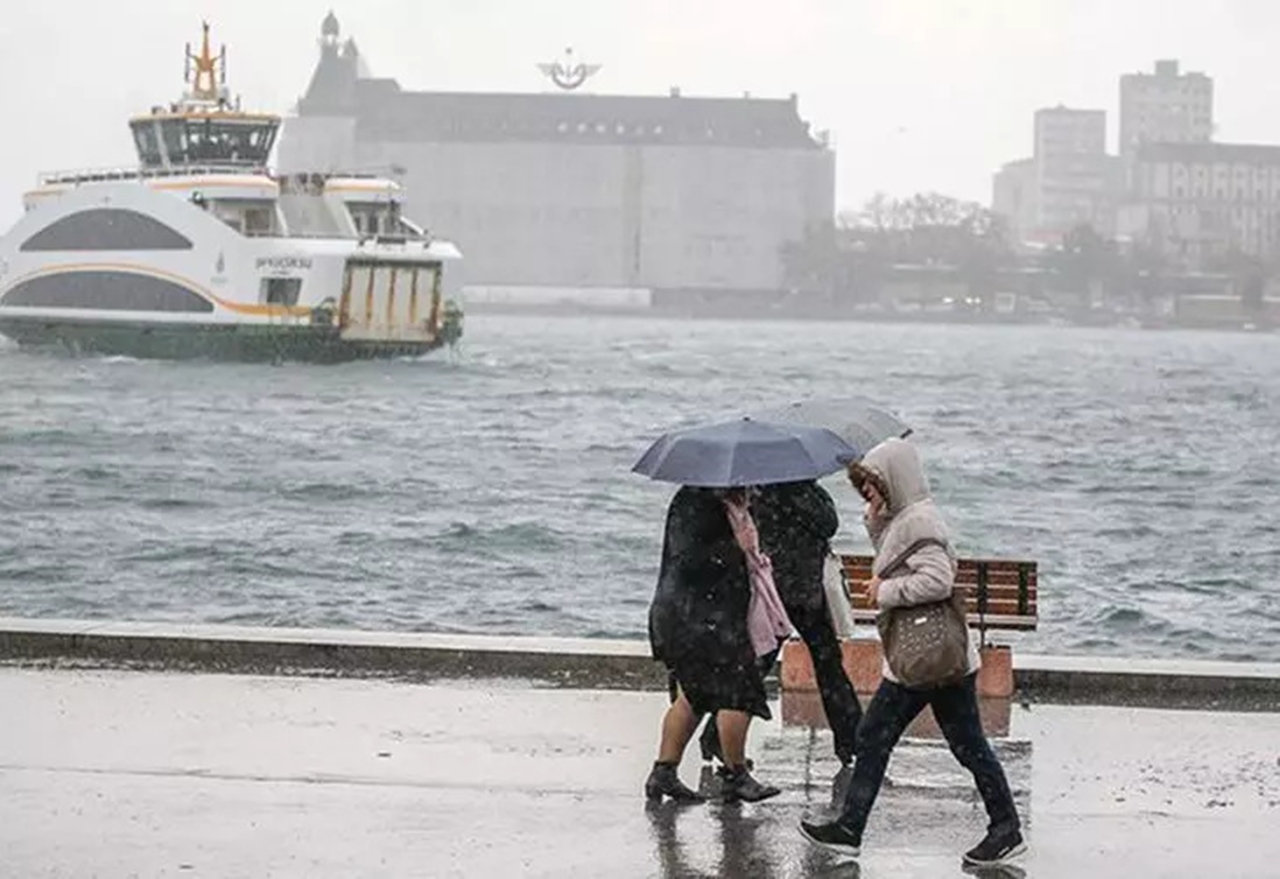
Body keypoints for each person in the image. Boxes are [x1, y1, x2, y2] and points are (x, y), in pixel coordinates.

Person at [800, 439, 1025, 868]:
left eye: (872, 484)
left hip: (926, 658)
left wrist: (886, 592)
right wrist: (875, 521)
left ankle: (851, 830)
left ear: (894, 480)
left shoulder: (920, 521)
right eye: (863, 486)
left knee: (883, 737)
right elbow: (899, 555)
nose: (866, 492)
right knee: (960, 744)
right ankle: (1004, 827)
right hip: (932, 659)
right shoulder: (907, 517)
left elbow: (938, 581)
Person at [699, 479, 861, 767]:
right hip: (801, 591)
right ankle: (852, 741)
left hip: (775, 588)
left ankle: (715, 736)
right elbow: (828, 524)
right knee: (828, 667)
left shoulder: (758, 489)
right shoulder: (805, 490)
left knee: (760, 664)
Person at [645, 485, 785, 804]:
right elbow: (689, 559)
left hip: (710, 617)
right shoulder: (695, 502)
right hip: (696, 618)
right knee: (739, 694)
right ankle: (735, 775)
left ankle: (663, 772)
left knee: (695, 696)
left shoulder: (731, 502)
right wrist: (735, 546)